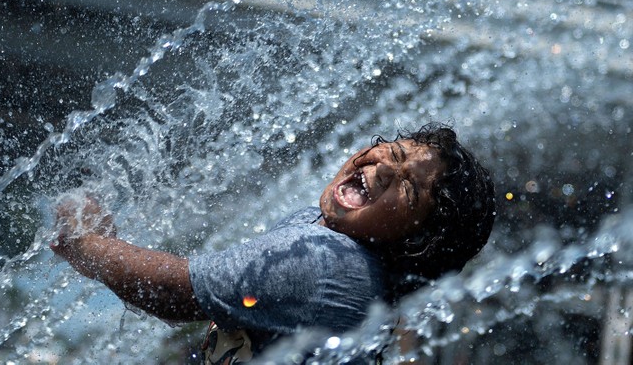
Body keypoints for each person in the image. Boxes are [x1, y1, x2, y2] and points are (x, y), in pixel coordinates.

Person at [50, 123, 496, 362]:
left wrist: (87, 243)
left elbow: (175, 293)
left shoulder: (329, 262)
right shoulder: (326, 229)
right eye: (393, 153)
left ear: (415, 240)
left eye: (408, 189)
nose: (383, 169)